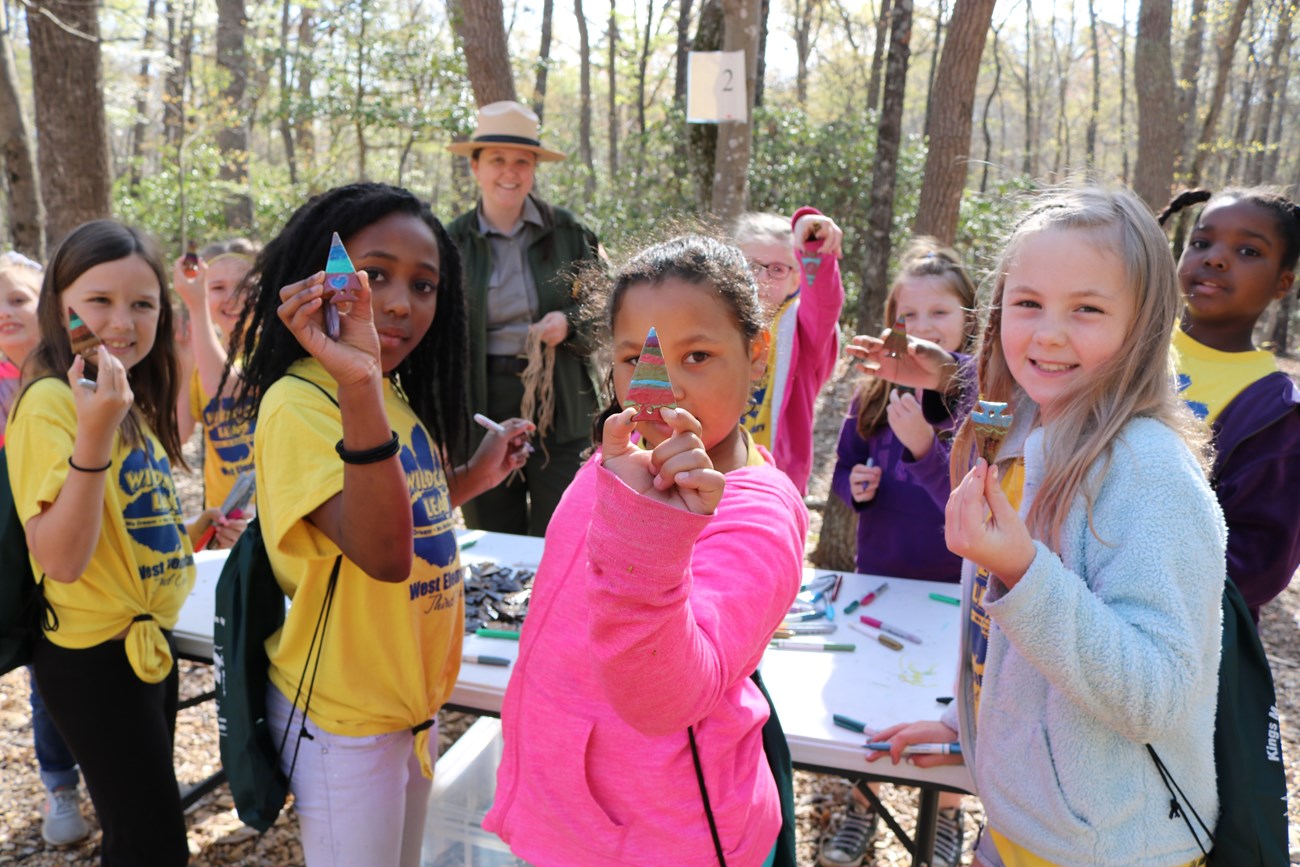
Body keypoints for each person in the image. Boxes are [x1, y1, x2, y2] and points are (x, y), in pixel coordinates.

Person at [855, 187, 1225, 866]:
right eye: (1027, 303)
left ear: (1143, 323)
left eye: (1086, 308)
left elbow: (1154, 695)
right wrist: (970, 728)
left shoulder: (1151, 473)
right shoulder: (1023, 428)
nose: (1048, 333)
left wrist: (1025, 571)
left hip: (1112, 847)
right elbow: (1006, 644)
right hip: (1016, 823)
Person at [227, 182, 531, 865]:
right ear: (318, 278)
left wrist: (474, 479)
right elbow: (385, 553)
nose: (398, 301)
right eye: (372, 274)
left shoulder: (388, 394)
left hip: (405, 705)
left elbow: (401, 514)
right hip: (345, 719)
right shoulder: (305, 401)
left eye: (424, 285)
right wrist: (359, 383)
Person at [485, 235, 809, 866]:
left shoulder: (755, 513)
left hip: (663, 837)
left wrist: (650, 534)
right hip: (567, 815)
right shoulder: (615, 462)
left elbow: (667, 698)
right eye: (635, 357)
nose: (662, 388)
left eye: (697, 355)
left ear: (757, 352)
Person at [7, 221, 243, 864]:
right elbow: (61, 556)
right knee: (151, 843)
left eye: (142, 303)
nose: (123, 320)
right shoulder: (56, 403)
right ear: (62, 306)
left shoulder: (118, 395)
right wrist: (93, 434)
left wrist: (188, 535)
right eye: (100, 300)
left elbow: (120, 521)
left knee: (146, 829)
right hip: (93, 661)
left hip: (144, 645)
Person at [821, 239, 977, 867]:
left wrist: (923, 449)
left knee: (946, 701)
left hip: (954, 588)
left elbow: (978, 496)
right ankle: (864, 806)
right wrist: (856, 489)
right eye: (907, 317)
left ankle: (946, 812)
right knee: (873, 696)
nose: (921, 329)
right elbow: (845, 468)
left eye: (938, 313)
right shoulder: (874, 396)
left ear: (969, 317)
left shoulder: (976, 400)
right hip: (879, 579)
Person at [447, 100, 603, 536]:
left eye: (522, 161)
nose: (509, 173)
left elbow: (607, 311)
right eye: (497, 160)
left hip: (561, 400)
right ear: (475, 167)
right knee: (493, 528)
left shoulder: (570, 233)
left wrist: (568, 323)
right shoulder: (450, 242)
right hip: (481, 402)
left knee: (561, 527)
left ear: (534, 168)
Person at [1157, 188, 1300, 624]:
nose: (1216, 258)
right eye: (1201, 242)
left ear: (1283, 282)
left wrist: (1135, 572)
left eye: (1248, 250)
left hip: (1177, 641)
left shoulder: (1274, 411)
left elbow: (1257, 564)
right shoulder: (1126, 342)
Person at [0, 251, 92, 846]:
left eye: (16, 298)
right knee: (43, 674)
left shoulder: (75, 374)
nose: (4, 312)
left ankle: (114, 771)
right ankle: (60, 784)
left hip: (79, 547)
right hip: (18, 556)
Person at [733, 210, 845, 495]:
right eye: (750, 265)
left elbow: (824, 302)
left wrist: (810, 242)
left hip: (774, 485)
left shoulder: (803, 331)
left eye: (777, 270)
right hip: (711, 474)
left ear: (796, 280)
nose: (761, 279)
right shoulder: (714, 321)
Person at [173, 238, 259, 518]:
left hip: (271, 517)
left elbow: (226, 389)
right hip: (222, 520)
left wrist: (197, 310)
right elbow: (177, 437)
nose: (232, 298)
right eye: (217, 288)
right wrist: (185, 365)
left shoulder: (277, 351)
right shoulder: (203, 359)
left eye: (245, 287)